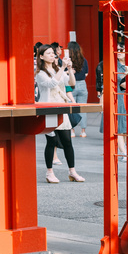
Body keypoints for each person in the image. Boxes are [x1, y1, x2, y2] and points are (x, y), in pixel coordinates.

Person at [36, 44, 84, 183]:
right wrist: (63, 68)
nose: (52, 55)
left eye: (53, 53)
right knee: (51, 141)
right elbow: (51, 84)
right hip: (49, 109)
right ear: (41, 56)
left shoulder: (59, 69)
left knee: (67, 141)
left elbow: (71, 83)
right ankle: (49, 172)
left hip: (61, 108)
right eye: (49, 53)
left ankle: (72, 171)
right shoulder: (40, 73)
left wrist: (69, 69)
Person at [68, 41, 89, 137]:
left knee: (70, 109)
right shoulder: (84, 60)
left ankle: (72, 131)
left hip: (71, 85)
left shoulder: (68, 61)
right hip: (82, 85)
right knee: (82, 108)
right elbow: (86, 74)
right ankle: (83, 131)